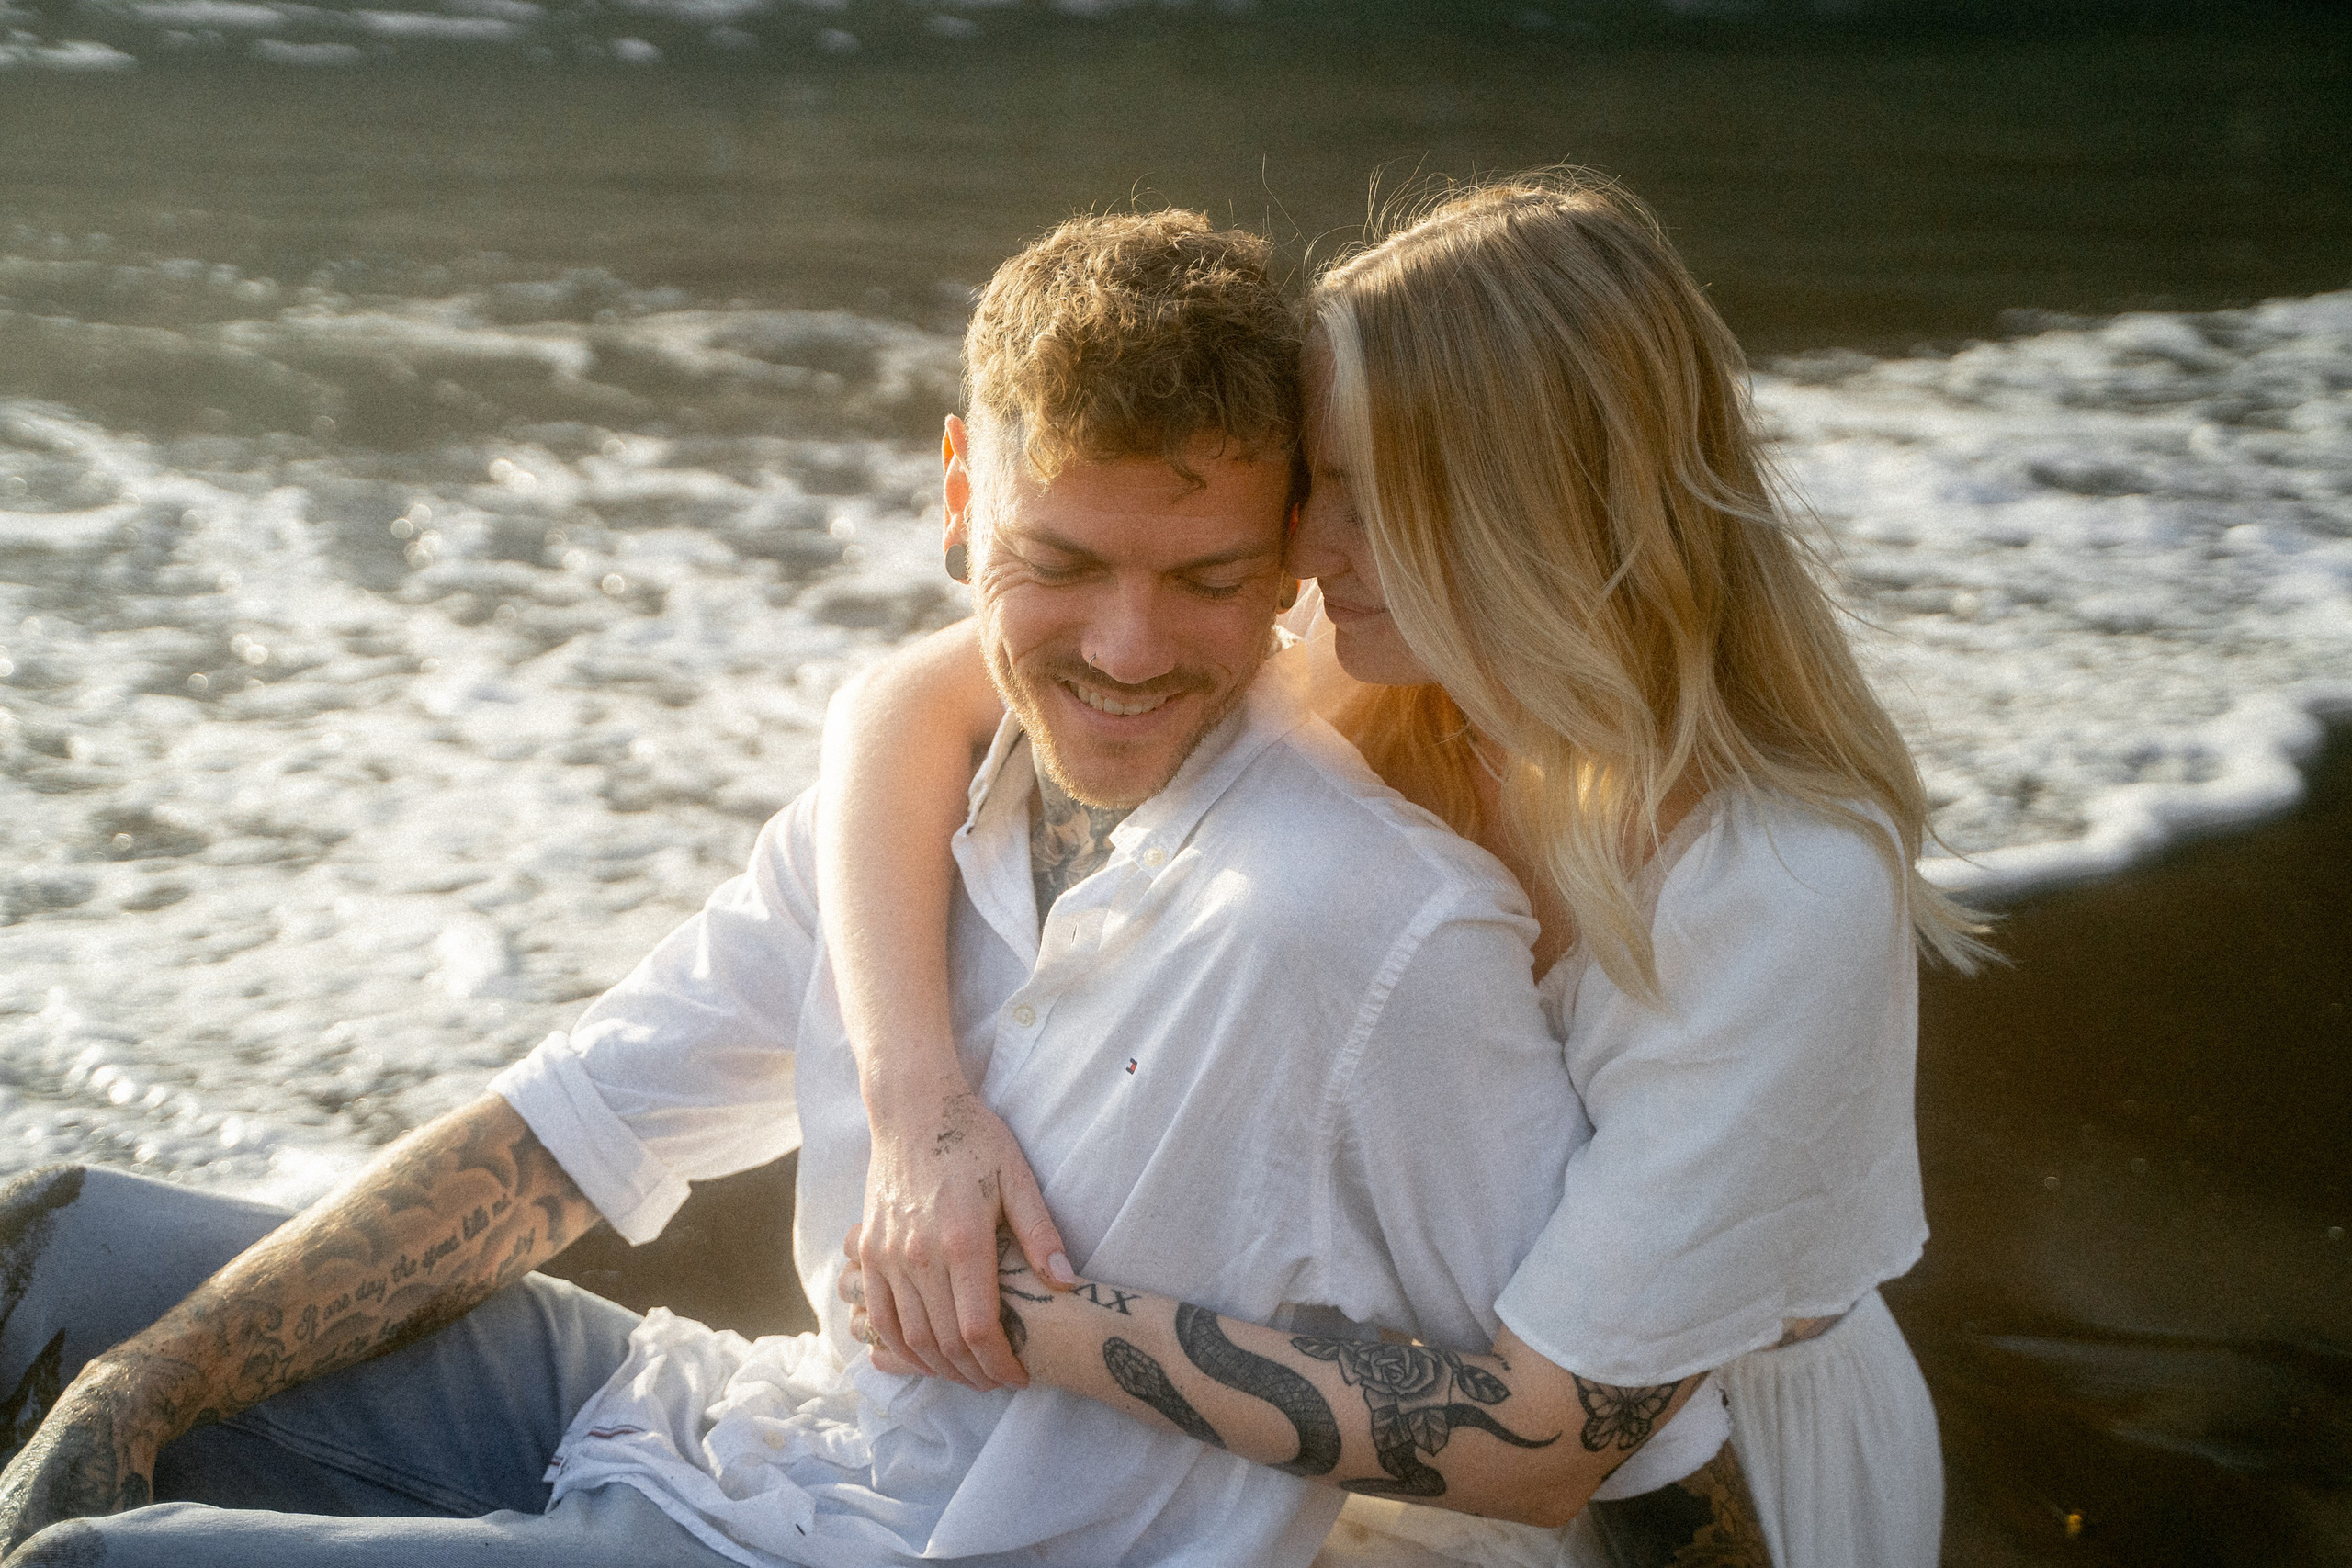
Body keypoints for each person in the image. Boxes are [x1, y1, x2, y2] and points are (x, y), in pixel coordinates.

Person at [0, 209, 1733, 1568]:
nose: (1127, 653)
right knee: (49, 1263)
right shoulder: (923, 792)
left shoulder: (1374, 921)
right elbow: (559, 1144)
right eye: (1061, 566)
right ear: (962, 496)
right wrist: (148, 1377)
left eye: (1207, 579)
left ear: (1293, 542)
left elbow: (1606, 1422)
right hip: (708, 1423)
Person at [820, 172, 1988, 1568]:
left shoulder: (1783, 885)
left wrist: (1016, 1318)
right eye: (1322, 486)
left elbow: (1557, 1437)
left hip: (1718, 1492)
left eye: (1371, 504)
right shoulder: (1372, 687)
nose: (1304, 552)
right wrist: (917, 1104)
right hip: (1371, 1450)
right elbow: (908, 702)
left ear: (1533, 514)